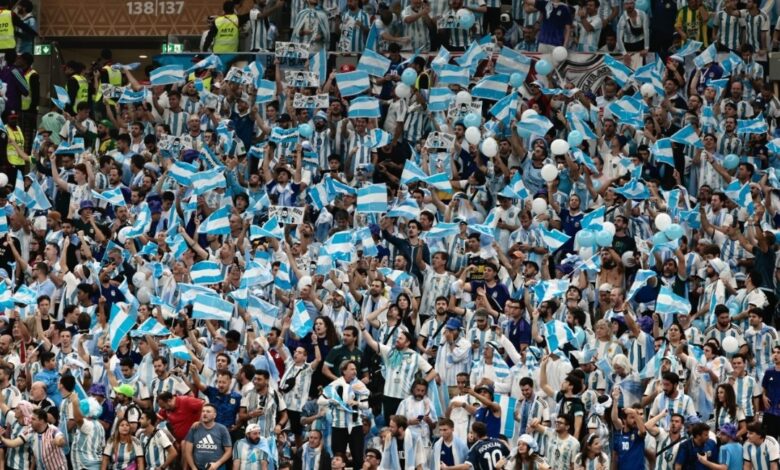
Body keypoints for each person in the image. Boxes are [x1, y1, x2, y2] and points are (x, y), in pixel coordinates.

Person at [0, 407, 68, 470]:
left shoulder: (52, 429)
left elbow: (61, 440)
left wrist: (58, 441)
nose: (30, 421)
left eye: (33, 419)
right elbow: (13, 443)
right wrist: (1, 438)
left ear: (41, 421)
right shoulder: (30, 431)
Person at [183, 404, 233, 470]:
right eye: (203, 411)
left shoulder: (222, 429)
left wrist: (217, 464)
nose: (205, 413)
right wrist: (193, 467)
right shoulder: (194, 428)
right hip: (198, 467)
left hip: (217, 467)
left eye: (208, 411)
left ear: (214, 415)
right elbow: (187, 451)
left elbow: (229, 451)